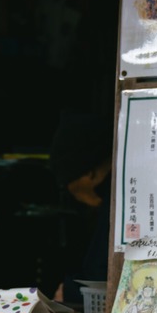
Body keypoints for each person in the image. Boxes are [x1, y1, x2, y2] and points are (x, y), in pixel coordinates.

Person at [49, 110, 113, 301]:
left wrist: (70, 292)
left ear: (88, 174)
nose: (70, 192)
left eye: (67, 184)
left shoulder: (115, 203)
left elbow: (101, 277)